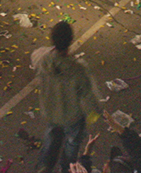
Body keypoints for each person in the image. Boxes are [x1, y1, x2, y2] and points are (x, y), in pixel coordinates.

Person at [31, 21, 102, 173]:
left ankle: (44, 166)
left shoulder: (43, 58)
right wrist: (95, 113)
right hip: (72, 116)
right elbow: (88, 95)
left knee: (51, 138)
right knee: (72, 142)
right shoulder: (77, 68)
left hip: (50, 112)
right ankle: (67, 168)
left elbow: (35, 55)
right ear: (71, 41)